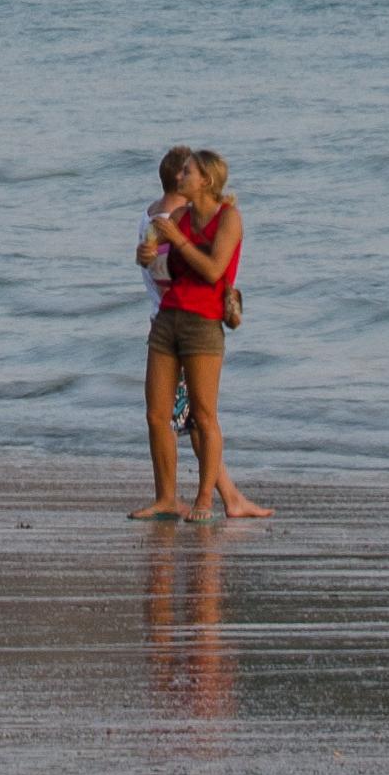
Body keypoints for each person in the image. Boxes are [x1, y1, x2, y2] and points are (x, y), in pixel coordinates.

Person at [133, 148, 260, 519]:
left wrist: (179, 238)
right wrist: (148, 253)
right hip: (167, 318)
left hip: (203, 322)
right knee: (157, 414)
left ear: (205, 179)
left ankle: (206, 498)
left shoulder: (228, 218)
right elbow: (165, 266)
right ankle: (166, 498)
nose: (179, 177)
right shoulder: (179, 216)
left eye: (186, 172)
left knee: (204, 415)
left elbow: (213, 269)